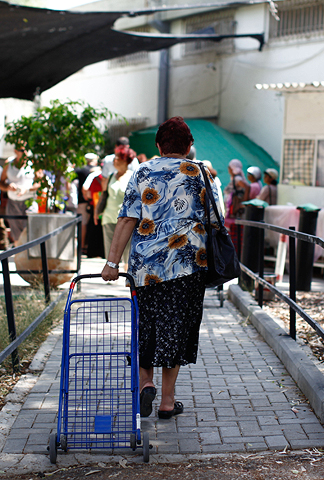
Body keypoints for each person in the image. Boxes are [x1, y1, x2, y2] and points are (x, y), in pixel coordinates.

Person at [101, 116, 223, 420]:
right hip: (188, 267)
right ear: (189, 146)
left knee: (146, 327)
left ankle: (146, 383)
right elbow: (216, 220)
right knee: (176, 330)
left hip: (145, 269)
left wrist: (111, 263)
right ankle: (168, 402)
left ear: (158, 145)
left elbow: (127, 218)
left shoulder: (141, 171)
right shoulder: (199, 173)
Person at [101, 144, 135, 270]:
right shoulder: (111, 176)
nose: (114, 160)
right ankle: (110, 270)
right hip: (109, 215)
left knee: (127, 248)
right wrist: (97, 212)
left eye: (117, 158)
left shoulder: (133, 176)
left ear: (125, 160)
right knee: (109, 247)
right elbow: (104, 195)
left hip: (126, 218)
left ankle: (126, 273)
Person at [0, 145, 40, 243]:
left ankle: (29, 257)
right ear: (15, 151)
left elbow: (39, 183)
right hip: (13, 203)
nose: (25, 152)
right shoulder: (9, 163)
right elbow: (1, 183)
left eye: (27, 150)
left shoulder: (33, 163)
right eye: (22, 150)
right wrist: (8, 187)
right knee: (17, 235)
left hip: (29, 202)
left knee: (30, 232)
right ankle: (20, 257)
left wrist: (26, 189)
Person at [223, 158, 250, 258]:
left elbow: (247, 187)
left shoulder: (237, 179)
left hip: (234, 215)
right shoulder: (236, 179)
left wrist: (243, 203)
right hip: (232, 213)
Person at [74, 153, 99, 254]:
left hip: (82, 201)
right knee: (89, 224)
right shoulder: (97, 171)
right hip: (93, 201)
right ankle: (84, 246)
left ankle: (82, 246)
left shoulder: (80, 169)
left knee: (83, 223)